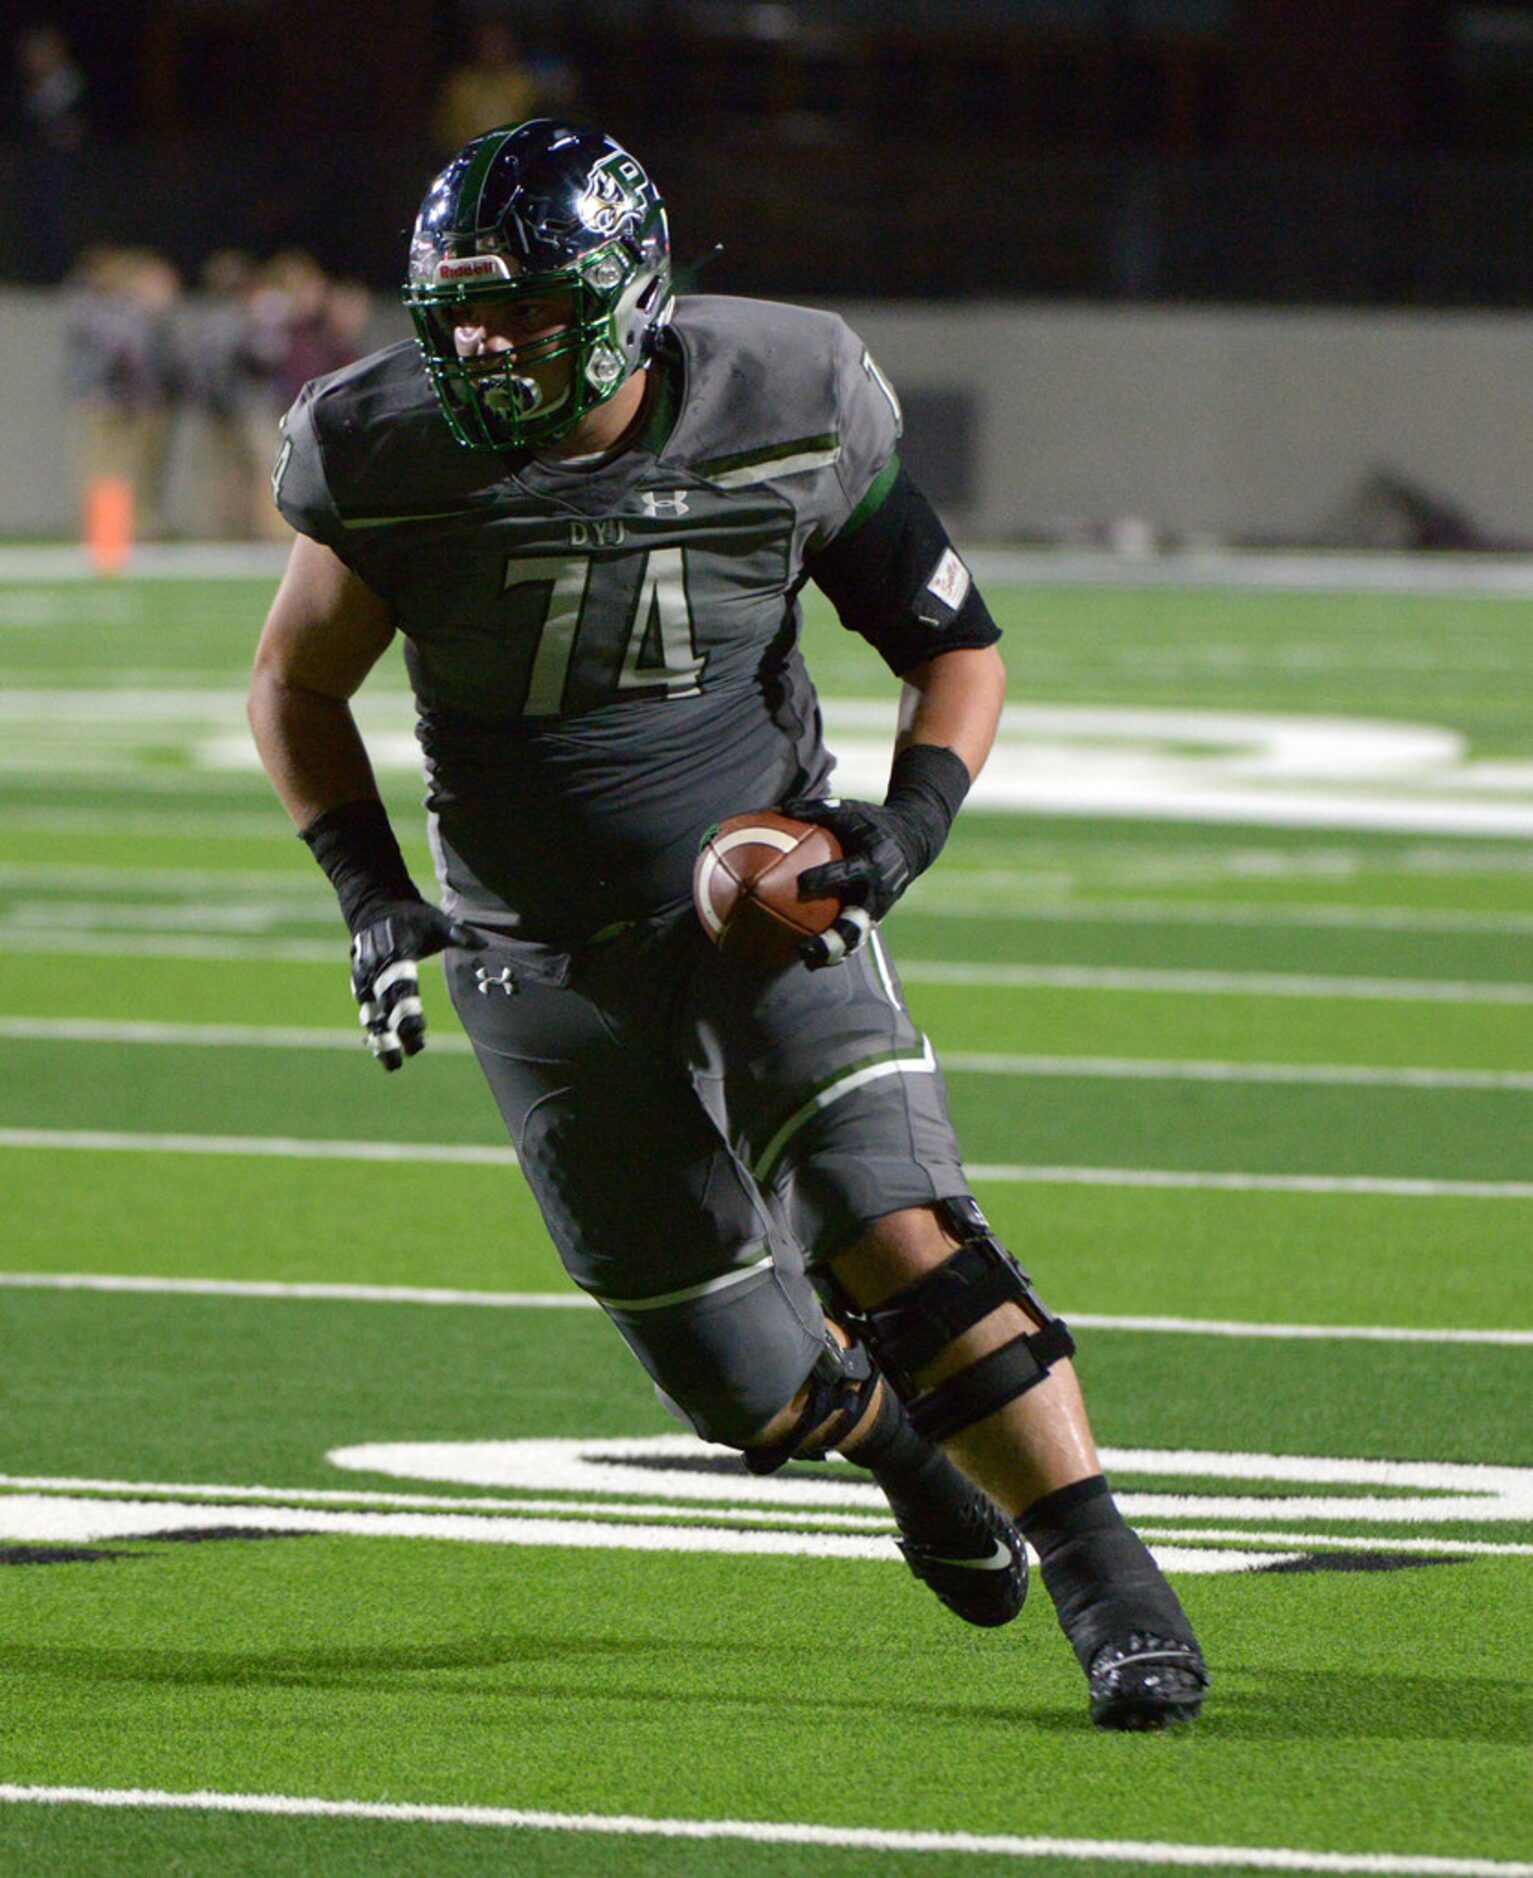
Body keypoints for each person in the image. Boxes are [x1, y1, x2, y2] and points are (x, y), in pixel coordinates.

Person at [248, 119, 1208, 1730]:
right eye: (462, 313)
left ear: (626, 296)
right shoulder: (382, 444)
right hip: (528, 942)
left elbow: (953, 648)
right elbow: (294, 682)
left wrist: (897, 830)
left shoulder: (790, 394)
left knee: (888, 1214)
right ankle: (908, 1459)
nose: (487, 346)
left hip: (758, 902)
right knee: (737, 1383)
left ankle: (1106, 1577)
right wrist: (367, 891)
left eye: (528, 310)